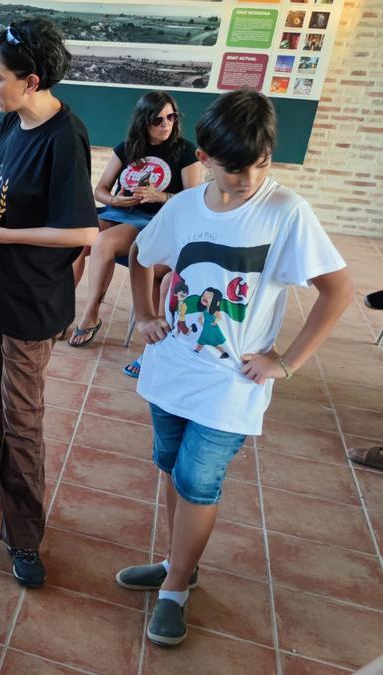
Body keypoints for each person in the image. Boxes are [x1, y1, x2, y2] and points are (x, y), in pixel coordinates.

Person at [117, 89, 352, 647]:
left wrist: (287, 363)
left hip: (231, 381)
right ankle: (180, 563)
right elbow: (141, 258)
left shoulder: (286, 211)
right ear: (204, 156)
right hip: (173, 365)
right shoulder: (183, 206)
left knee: (200, 480)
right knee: (172, 465)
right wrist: (147, 314)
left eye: (261, 162)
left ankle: (174, 588)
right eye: (234, 166)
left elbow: (336, 290)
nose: (248, 176)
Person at [0, 19, 98, 588]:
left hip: (32, 301)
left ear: (30, 80)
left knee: (23, 418)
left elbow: (83, 232)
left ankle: (25, 534)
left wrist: (2, 236)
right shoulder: (13, 119)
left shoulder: (64, 137)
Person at [68, 91, 203, 380]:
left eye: (171, 117)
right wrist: (116, 201)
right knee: (78, 237)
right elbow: (101, 189)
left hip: (155, 219)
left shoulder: (186, 151)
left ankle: (90, 314)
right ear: (144, 121)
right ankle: (60, 310)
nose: (166, 124)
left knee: (103, 241)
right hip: (120, 212)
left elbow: (193, 202)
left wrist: (160, 195)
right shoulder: (127, 148)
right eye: (158, 119)